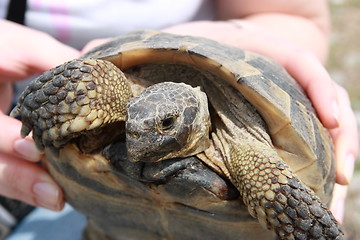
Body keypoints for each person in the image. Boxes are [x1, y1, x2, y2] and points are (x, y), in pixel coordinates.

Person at [0, 0, 357, 238]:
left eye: (167, 125)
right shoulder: (109, 90)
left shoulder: (250, 154)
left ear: (196, 116)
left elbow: (295, 14)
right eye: (131, 123)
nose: (138, 138)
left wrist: (254, 36)